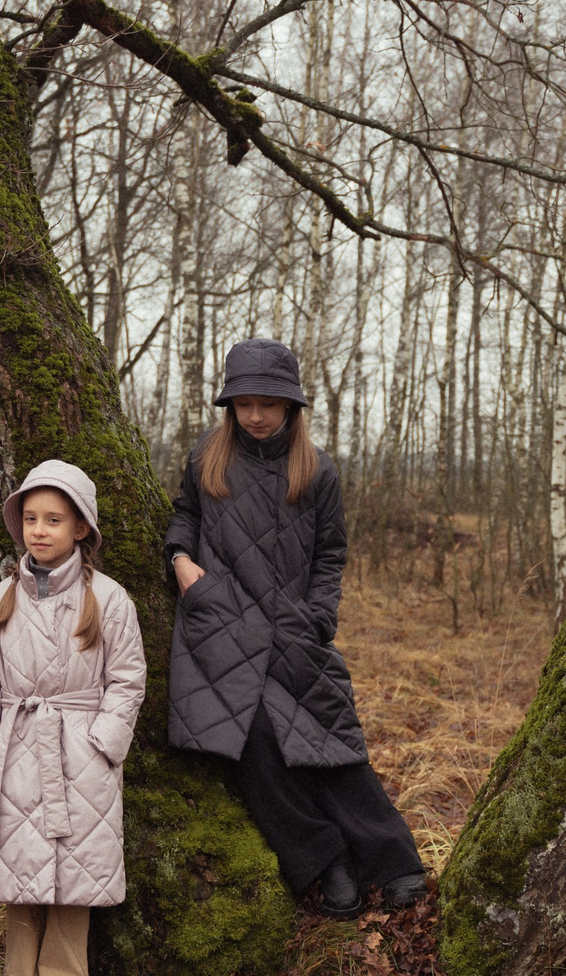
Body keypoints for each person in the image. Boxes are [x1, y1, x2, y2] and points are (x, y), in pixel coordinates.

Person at [165, 339, 426, 917]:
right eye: (244, 403)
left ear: (292, 406)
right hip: (221, 624)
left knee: (328, 736)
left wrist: (319, 616)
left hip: (293, 627)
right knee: (254, 742)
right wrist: (183, 565)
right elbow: (185, 512)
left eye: (269, 403)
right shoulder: (207, 455)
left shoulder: (317, 469)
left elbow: (331, 554)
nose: (255, 415)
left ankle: (396, 862)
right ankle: (325, 862)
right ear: (229, 404)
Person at [0, 460, 146, 976]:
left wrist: (104, 744)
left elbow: (127, 680)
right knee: (19, 882)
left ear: (81, 528)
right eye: (32, 519)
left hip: (80, 759)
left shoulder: (108, 600)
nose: (40, 531)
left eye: (55, 520)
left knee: (75, 882)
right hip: (13, 754)